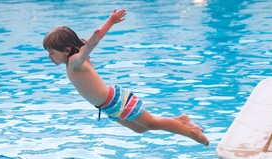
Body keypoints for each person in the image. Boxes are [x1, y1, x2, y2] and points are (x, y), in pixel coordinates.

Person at [43, 9, 209, 146]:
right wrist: (111, 21)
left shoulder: (75, 61)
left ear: (66, 51)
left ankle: (192, 132)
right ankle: (181, 120)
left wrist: (92, 43)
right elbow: (93, 41)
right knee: (140, 129)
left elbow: (86, 49)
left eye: (52, 53)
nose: (50, 57)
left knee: (151, 123)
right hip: (107, 106)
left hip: (115, 101)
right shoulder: (74, 61)